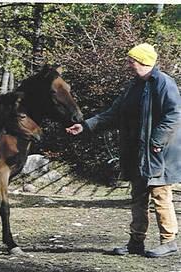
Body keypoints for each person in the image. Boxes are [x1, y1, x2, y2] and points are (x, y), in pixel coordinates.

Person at [66, 43, 181, 258]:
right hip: (138, 153)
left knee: (160, 195)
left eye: (132, 60)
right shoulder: (134, 86)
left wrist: (157, 141)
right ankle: (135, 242)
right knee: (138, 196)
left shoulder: (164, 83)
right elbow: (114, 113)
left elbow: (174, 114)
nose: (128, 64)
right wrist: (86, 126)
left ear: (144, 62)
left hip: (160, 154)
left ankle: (169, 241)